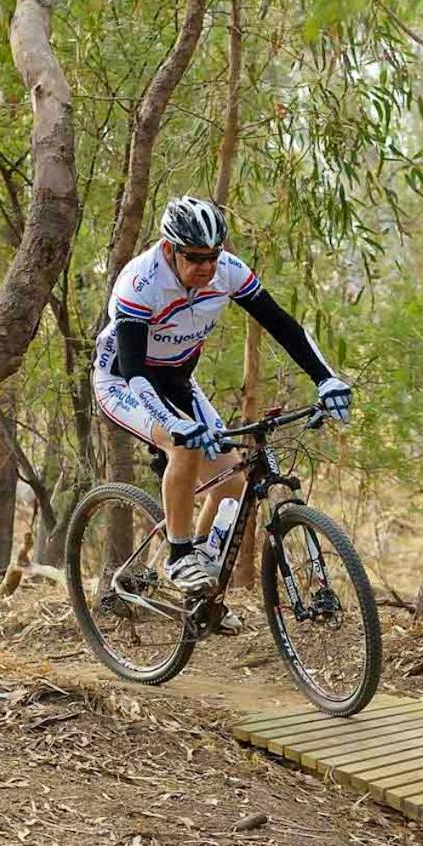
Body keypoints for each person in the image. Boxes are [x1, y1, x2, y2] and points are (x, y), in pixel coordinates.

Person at [92, 196, 352, 594]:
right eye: (195, 257)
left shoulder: (227, 272)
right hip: (125, 382)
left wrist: (325, 379)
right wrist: (172, 422)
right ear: (169, 250)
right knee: (184, 445)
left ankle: (203, 584)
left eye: (213, 255)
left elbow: (282, 325)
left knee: (232, 482)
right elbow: (134, 369)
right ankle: (179, 558)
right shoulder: (140, 283)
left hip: (178, 380)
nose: (207, 267)